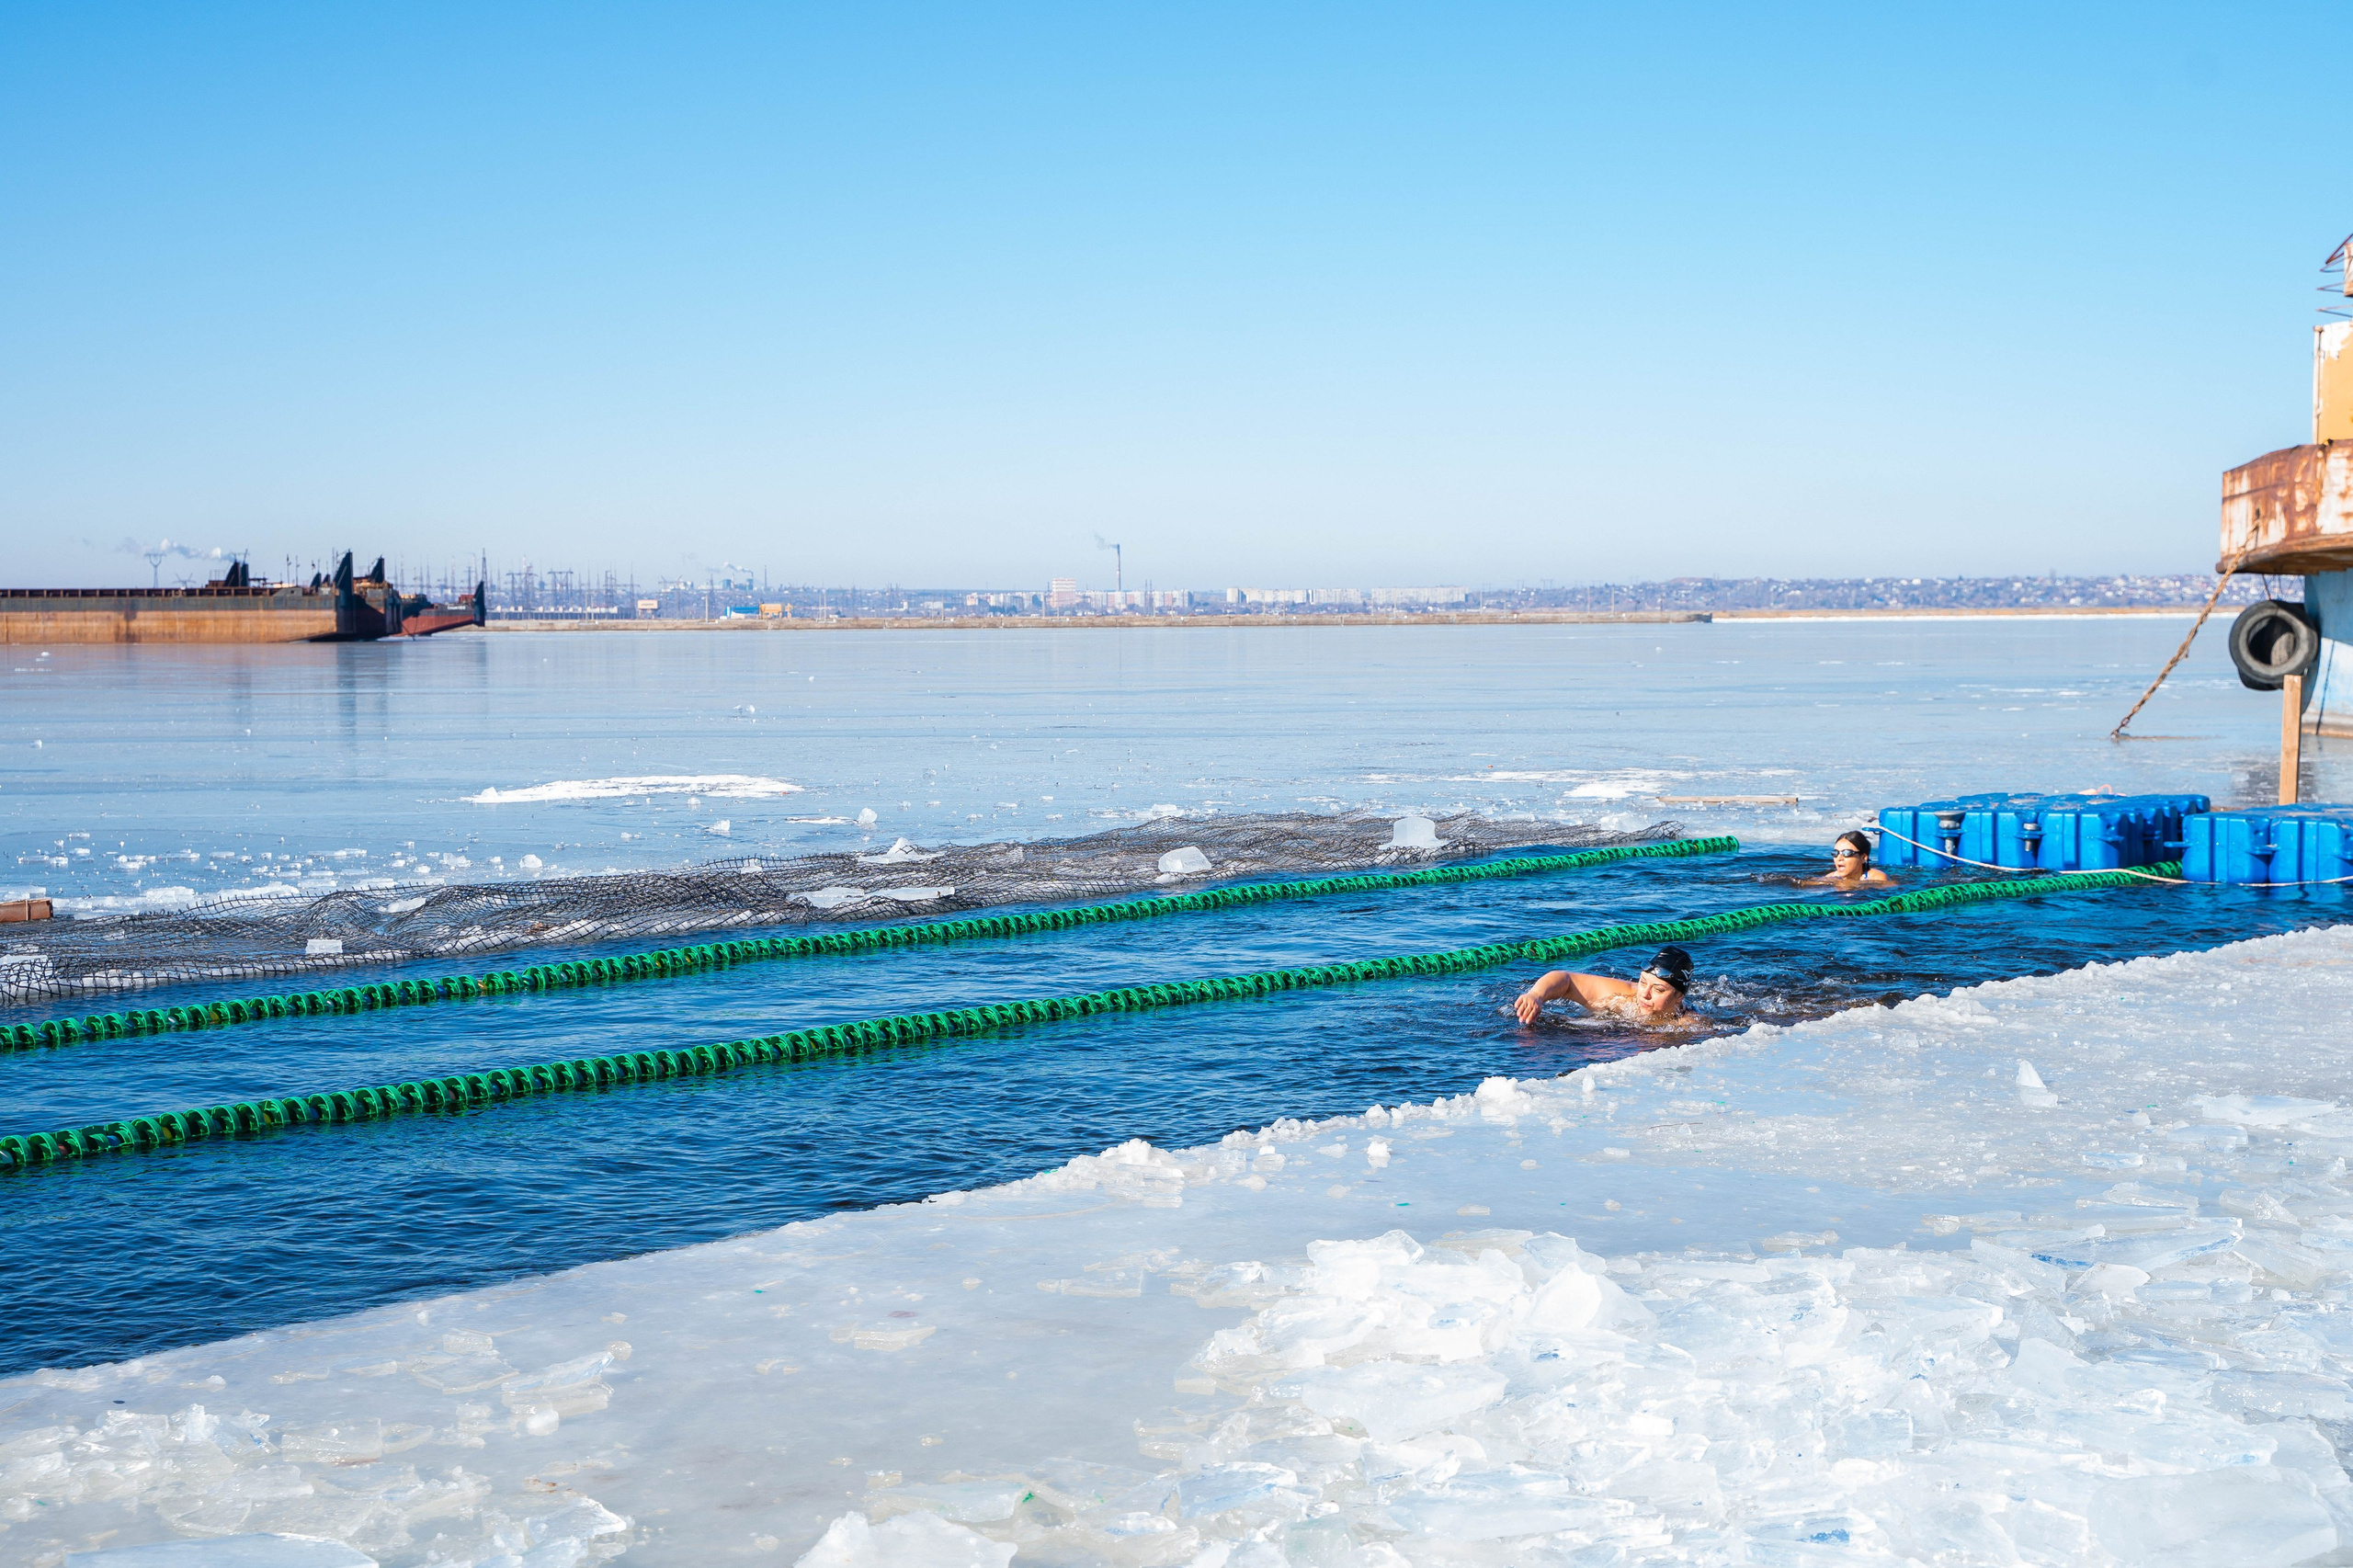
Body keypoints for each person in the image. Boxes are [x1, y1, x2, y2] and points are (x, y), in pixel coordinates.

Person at [1515, 945, 1693, 1025]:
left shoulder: (1688, 1023)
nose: (1644, 994)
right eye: (1643, 982)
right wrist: (1536, 995)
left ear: (1679, 996)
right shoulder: (1622, 997)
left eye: (1658, 989)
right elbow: (1566, 980)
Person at [1813, 830, 1892, 888]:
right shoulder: (1830, 878)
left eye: (1847, 853)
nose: (1839, 858)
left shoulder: (1878, 878)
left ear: (1863, 858)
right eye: (1835, 853)